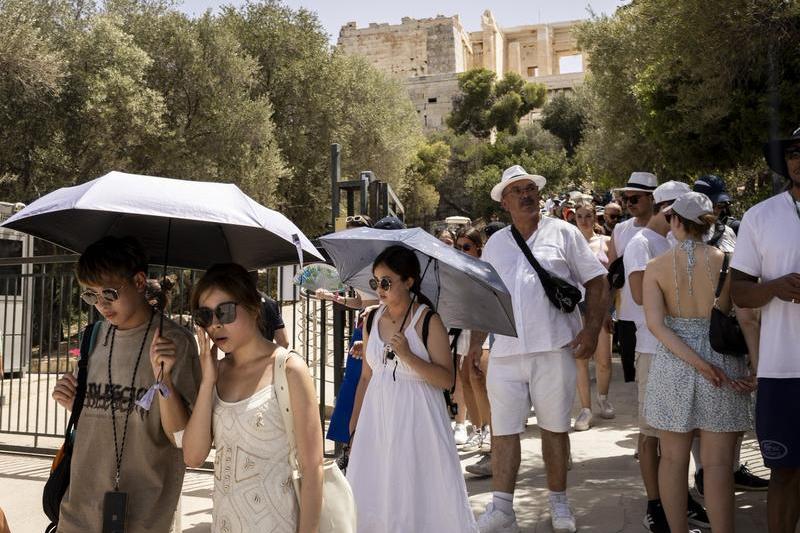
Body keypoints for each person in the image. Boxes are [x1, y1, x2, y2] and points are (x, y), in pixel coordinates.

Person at [470, 165, 609, 533]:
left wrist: (592, 330)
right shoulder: (496, 243)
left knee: (555, 428)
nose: (527, 195)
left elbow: (597, 282)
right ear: (505, 202)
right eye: (517, 191)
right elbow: (488, 297)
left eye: (531, 188)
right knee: (503, 432)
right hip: (505, 352)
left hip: (554, 348)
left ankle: (559, 503)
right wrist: (474, 345)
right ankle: (502, 508)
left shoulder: (563, 233)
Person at [50, 236, 201, 532]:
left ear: (140, 281)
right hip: (77, 510)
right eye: (91, 296)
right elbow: (104, 413)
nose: (101, 305)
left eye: (109, 293)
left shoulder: (175, 342)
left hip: (142, 515)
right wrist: (76, 404)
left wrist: (164, 378)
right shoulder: (93, 335)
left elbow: (185, 440)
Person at [643, 192, 755, 533]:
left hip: (674, 365)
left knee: (673, 459)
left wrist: (697, 364)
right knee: (719, 464)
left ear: (676, 221)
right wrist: (756, 366)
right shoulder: (730, 263)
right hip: (724, 358)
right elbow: (747, 317)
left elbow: (656, 325)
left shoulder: (656, 266)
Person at [183, 263, 323, 532]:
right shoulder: (217, 373)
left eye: (224, 311)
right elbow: (193, 456)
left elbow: (312, 468)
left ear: (254, 308)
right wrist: (207, 382)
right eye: (205, 315)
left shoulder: (289, 369)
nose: (215, 324)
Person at [347, 245, 478, 532]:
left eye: (386, 282)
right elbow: (367, 378)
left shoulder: (429, 320)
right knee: (377, 493)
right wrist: (355, 427)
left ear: (409, 281)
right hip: (377, 420)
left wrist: (409, 356)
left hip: (419, 420)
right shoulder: (371, 319)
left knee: (418, 494)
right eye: (375, 282)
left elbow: (446, 379)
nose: (379, 289)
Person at [624, 181, 709, 532]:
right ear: (669, 209)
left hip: (677, 351)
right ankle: (655, 504)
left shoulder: (672, 242)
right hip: (651, 350)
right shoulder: (641, 243)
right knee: (651, 434)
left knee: (678, 434)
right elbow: (641, 296)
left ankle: (679, 498)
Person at [731, 126, 800, 533]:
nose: (797, 159)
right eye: (792, 152)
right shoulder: (760, 216)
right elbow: (739, 291)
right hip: (782, 369)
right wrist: (773, 288)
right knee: (785, 472)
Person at [691, 176, 769, 496]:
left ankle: (733, 468)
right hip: (700, 330)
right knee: (702, 412)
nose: (720, 207)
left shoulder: (731, 234)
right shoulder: (681, 240)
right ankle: (703, 473)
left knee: (735, 407)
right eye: (715, 201)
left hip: (728, 329)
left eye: (722, 202)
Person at [608, 172, 658, 382]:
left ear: (651, 198)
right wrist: (606, 312)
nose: (629, 203)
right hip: (628, 316)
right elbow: (610, 274)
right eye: (625, 199)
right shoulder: (620, 229)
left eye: (634, 198)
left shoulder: (669, 231)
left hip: (660, 315)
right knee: (636, 380)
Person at [572, 200, 614, 431]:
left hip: (601, 305)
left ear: (595, 217)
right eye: (580, 216)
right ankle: (585, 409)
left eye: (588, 215)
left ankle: (603, 397)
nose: (584, 220)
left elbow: (614, 276)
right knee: (580, 358)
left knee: (604, 359)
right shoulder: (570, 242)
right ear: (574, 218)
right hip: (577, 305)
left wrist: (609, 307)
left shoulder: (606, 242)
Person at [453, 227, 493, 464]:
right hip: (462, 327)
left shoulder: (486, 268)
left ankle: (488, 429)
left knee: (478, 378)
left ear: (478, 247)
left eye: (466, 246)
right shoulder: (458, 270)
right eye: (458, 247)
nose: (462, 251)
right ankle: (476, 430)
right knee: (465, 379)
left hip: (483, 327)